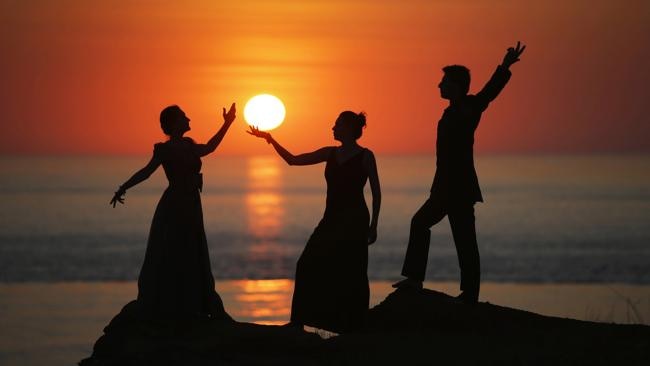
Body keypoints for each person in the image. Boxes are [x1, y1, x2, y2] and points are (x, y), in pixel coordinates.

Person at [393, 42, 526, 304]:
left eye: (443, 81)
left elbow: (490, 92)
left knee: (463, 239)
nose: (439, 86)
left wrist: (505, 66)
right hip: (444, 187)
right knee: (423, 224)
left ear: (455, 84)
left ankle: (468, 294)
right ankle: (417, 279)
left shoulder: (469, 106)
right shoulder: (451, 110)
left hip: (460, 189)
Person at [248, 111, 381, 333]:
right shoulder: (330, 153)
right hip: (331, 218)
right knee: (307, 263)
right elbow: (293, 160)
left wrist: (374, 225)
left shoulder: (366, 156)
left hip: (355, 219)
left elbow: (376, 192)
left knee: (353, 271)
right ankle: (298, 321)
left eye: (337, 124)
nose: (332, 127)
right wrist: (270, 140)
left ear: (348, 128)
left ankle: (355, 327)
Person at [109, 103, 236, 320]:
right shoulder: (164, 150)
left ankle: (192, 302)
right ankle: (171, 302)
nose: (189, 119)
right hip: (174, 206)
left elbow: (210, 147)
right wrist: (124, 187)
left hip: (192, 205)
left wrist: (227, 123)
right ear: (175, 122)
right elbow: (146, 172)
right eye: (184, 116)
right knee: (172, 250)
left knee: (191, 249)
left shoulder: (189, 145)